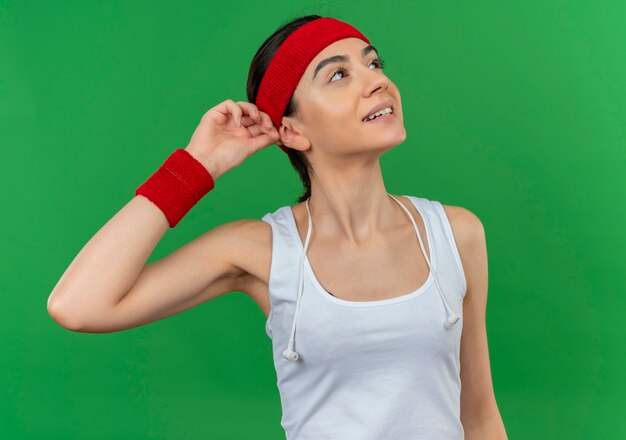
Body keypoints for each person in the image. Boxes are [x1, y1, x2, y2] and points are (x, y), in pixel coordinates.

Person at [47, 15, 507, 440]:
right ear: (291, 132)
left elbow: (479, 414)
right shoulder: (262, 251)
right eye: (339, 74)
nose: (378, 81)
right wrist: (195, 167)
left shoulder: (456, 234)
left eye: (373, 63)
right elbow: (78, 305)